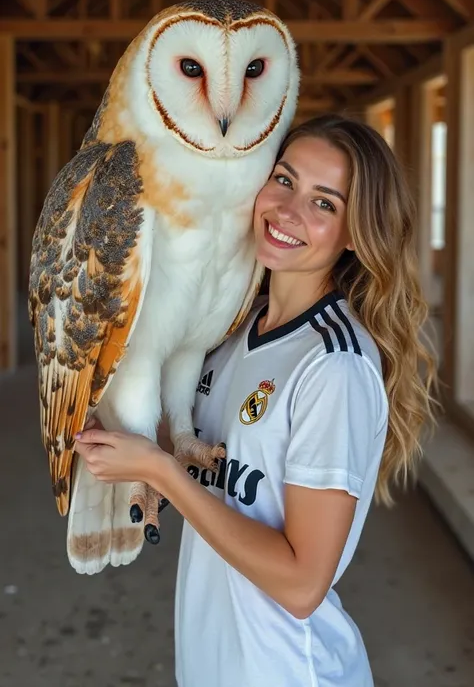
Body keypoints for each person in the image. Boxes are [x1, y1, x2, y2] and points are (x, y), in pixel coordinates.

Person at [75, 114, 437, 687]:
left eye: (325, 203)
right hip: (211, 662)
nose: (289, 211)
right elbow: (215, 459)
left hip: (290, 671)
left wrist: (163, 474)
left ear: (355, 232)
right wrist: (119, 427)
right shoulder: (232, 328)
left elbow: (300, 585)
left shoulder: (333, 365)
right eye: (285, 180)